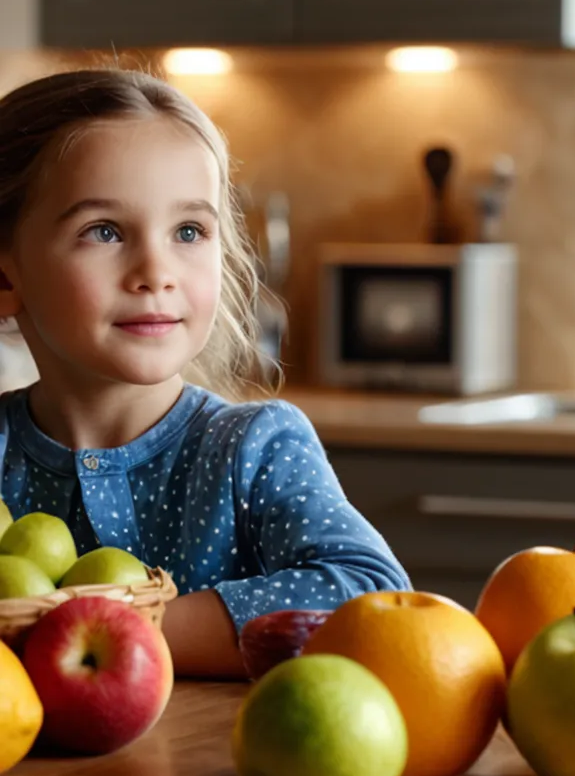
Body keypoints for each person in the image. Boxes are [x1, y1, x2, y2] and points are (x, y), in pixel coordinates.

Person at [0, 69, 412, 677]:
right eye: (105, 232)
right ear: (7, 276)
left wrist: (105, 636)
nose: (156, 271)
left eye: (189, 231)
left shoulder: (254, 447)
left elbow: (368, 596)